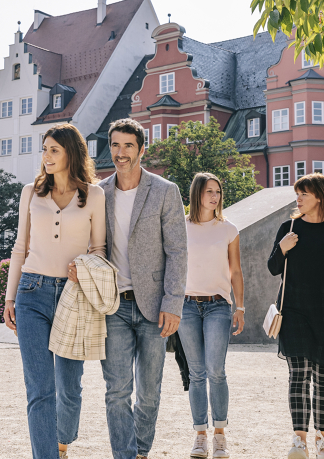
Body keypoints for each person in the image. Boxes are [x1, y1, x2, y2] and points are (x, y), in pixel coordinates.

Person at [3, 123, 105, 459]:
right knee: (39, 389)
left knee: (69, 389)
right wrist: (9, 296)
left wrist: (85, 268)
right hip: (32, 292)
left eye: (53, 150)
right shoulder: (31, 193)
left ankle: (62, 441)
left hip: (74, 297)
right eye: (44, 149)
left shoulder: (94, 195)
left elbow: (100, 249)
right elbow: (20, 247)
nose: (46, 156)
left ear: (70, 153)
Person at [97, 118, 187, 459]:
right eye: (116, 145)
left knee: (149, 391)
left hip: (154, 306)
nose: (120, 153)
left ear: (141, 149)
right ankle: (125, 454)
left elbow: (178, 250)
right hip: (113, 306)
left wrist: (173, 303)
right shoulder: (98, 192)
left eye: (128, 146)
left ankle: (142, 451)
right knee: (117, 391)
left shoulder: (165, 191)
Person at [266, 173, 324, 459]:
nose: (299, 198)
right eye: (298, 194)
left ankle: (322, 437)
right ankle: (299, 440)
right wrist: (282, 248)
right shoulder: (289, 226)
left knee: (323, 377)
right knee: (297, 376)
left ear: (320, 195)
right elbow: (272, 268)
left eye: (304, 193)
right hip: (293, 310)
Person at [178, 172, 244, 459]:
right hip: (186, 306)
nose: (214, 196)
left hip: (218, 305)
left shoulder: (228, 229)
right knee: (196, 373)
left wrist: (239, 306)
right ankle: (200, 435)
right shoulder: (180, 227)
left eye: (217, 191)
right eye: (209, 191)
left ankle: (219, 435)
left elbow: (236, 271)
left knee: (216, 371)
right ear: (197, 194)